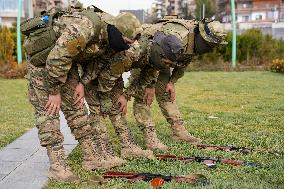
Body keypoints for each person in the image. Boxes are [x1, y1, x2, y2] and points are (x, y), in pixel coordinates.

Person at [21, 7, 141, 181]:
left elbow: (98, 62)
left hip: (66, 63)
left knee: (76, 107)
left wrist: (81, 82)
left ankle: (91, 158)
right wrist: (53, 91)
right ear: (117, 32)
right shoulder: (85, 27)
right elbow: (57, 58)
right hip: (44, 62)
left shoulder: (111, 39)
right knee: (49, 111)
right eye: (127, 41)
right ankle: (57, 167)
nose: (127, 46)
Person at [97, 18, 227, 152]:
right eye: (210, 45)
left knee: (166, 92)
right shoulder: (176, 37)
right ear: (203, 37)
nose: (211, 49)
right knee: (143, 97)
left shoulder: (190, 42)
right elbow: (153, 61)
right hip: (147, 52)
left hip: (162, 57)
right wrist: (149, 86)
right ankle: (150, 138)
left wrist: (171, 81)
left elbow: (184, 60)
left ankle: (179, 131)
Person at [80, 12, 155, 160]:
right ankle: (103, 153)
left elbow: (111, 72)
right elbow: (105, 74)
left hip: (108, 72)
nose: (129, 45)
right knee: (97, 110)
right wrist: (86, 84)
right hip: (89, 71)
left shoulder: (132, 47)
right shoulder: (126, 49)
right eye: (127, 42)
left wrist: (120, 95)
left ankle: (128, 147)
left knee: (116, 107)